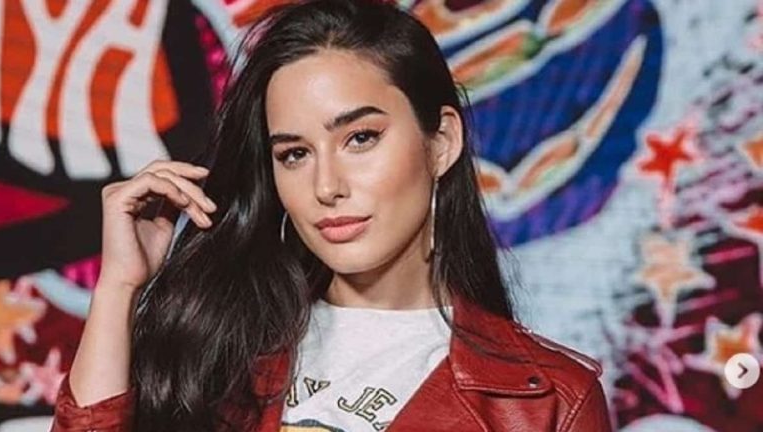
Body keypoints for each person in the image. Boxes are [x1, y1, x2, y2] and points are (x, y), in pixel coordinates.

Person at [50, 0, 612, 430]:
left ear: (441, 142)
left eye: (360, 138)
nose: (326, 186)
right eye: (294, 154)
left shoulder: (544, 402)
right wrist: (118, 287)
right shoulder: (223, 351)